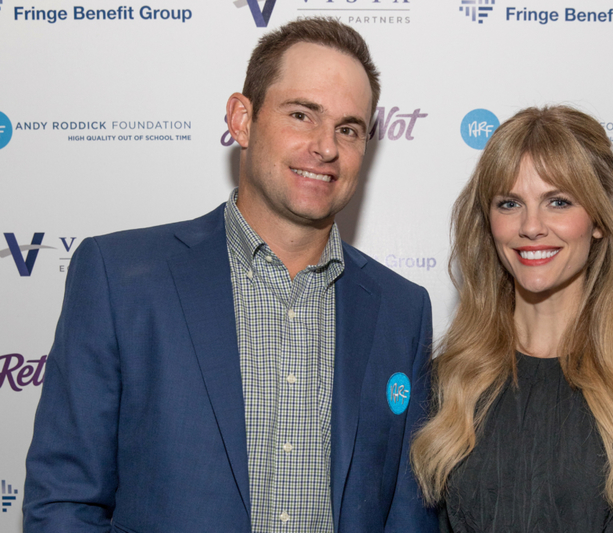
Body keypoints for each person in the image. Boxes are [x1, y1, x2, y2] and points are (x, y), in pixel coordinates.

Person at [24, 18, 437, 533]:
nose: (326, 147)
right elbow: (64, 502)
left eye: (348, 128)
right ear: (242, 119)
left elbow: (407, 517)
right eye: (302, 114)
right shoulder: (120, 279)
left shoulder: (403, 310)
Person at [410, 106, 613, 532]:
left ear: (598, 220)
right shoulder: (449, 380)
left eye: (558, 201)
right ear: (489, 224)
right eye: (509, 203)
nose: (531, 226)